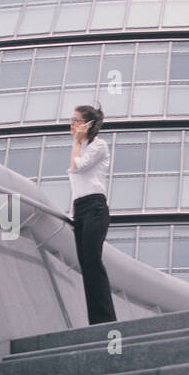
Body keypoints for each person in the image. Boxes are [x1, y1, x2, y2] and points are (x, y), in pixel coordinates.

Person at [67, 104, 117, 325]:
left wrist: (77, 142)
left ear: (87, 125)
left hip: (95, 208)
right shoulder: (82, 147)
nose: (72, 124)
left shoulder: (98, 146)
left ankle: (105, 320)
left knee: (93, 262)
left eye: (76, 120)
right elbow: (77, 180)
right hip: (80, 209)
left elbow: (78, 168)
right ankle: (95, 321)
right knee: (86, 265)